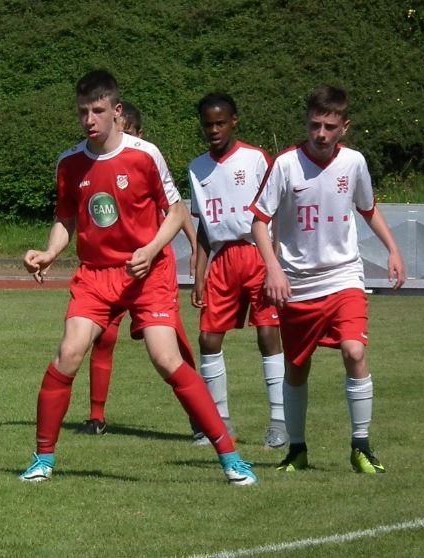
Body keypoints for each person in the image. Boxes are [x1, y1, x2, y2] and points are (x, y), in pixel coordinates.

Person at [19, 70, 256, 486]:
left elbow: (176, 211)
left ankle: (230, 456)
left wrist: (151, 249)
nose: (89, 120)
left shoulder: (145, 155)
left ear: (117, 110)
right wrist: (50, 252)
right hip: (96, 275)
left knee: (166, 359)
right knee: (69, 353)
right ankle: (43, 458)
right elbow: (66, 218)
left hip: (148, 273)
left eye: (97, 111)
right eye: (82, 112)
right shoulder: (69, 162)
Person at [249, 85, 405, 474]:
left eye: (329, 126)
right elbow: (259, 221)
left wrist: (393, 249)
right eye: (315, 125)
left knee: (355, 352)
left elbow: (368, 209)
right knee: (297, 367)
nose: (321, 134)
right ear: (306, 122)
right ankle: (297, 450)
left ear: (344, 127)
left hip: (343, 277)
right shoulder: (285, 164)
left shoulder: (354, 162)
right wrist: (273, 267)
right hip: (298, 284)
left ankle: (361, 447)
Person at [77, 100, 198, 435]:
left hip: (152, 267)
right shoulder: (99, 164)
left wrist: (196, 247)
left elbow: (178, 211)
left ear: (138, 134)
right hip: (113, 268)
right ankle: (96, 416)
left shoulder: (147, 161)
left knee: (170, 345)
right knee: (103, 336)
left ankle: (198, 414)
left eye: (127, 132)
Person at [187, 93, 286, 449]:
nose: (214, 130)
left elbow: (275, 212)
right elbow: (202, 225)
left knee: (268, 333)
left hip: (257, 254)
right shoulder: (197, 168)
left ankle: (279, 422)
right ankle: (220, 424)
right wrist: (199, 274)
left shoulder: (255, 158)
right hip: (222, 259)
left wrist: (275, 263)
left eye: (220, 123)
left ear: (234, 122)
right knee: (208, 338)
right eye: (207, 125)